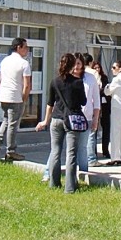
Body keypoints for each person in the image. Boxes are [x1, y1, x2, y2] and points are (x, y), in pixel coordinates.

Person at [35, 53, 86, 193]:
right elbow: (83, 101)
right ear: (72, 66)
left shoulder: (54, 81)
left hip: (56, 119)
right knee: (71, 154)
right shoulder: (77, 82)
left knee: (55, 151)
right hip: (72, 120)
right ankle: (70, 187)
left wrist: (46, 120)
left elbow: (50, 103)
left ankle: (54, 183)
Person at [0, 38, 32, 161]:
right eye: (25, 47)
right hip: (15, 97)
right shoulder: (24, 63)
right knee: (13, 125)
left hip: (4, 96)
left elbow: (2, 79)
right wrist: (24, 99)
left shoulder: (4, 61)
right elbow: (26, 85)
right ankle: (11, 150)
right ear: (18, 47)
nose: (27, 50)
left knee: (6, 120)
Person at [75, 54, 102, 168]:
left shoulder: (90, 77)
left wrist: (96, 118)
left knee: (84, 144)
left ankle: (86, 165)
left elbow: (96, 99)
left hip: (87, 115)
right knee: (73, 146)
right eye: (74, 63)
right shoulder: (67, 77)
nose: (76, 66)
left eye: (78, 63)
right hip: (72, 116)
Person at [104, 60, 121, 165]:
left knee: (115, 131)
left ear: (120, 69)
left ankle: (115, 157)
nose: (112, 69)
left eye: (114, 67)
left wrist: (107, 86)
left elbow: (107, 92)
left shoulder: (117, 79)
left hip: (116, 106)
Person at [93, 61, 111, 158]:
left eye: (98, 68)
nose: (97, 70)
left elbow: (107, 90)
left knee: (106, 128)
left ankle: (105, 150)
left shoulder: (104, 78)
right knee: (94, 129)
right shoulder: (92, 78)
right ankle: (93, 151)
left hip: (104, 106)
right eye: (95, 68)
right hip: (95, 106)